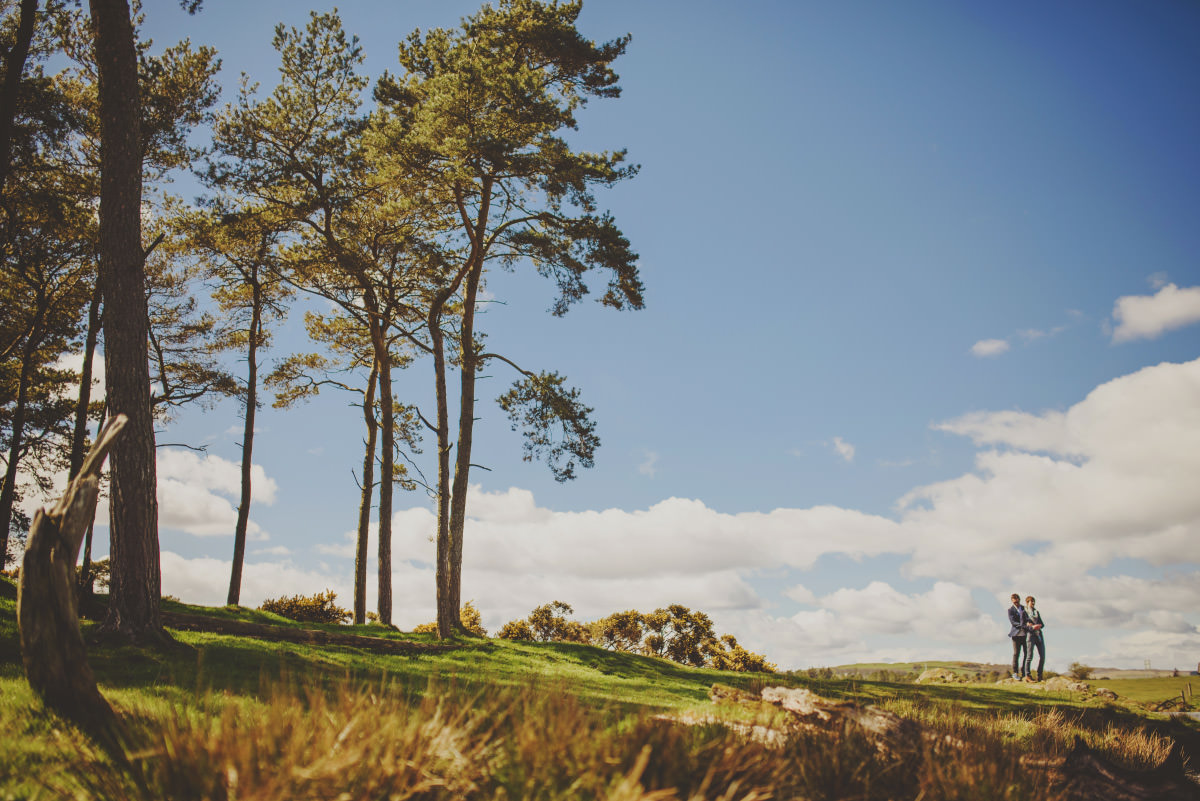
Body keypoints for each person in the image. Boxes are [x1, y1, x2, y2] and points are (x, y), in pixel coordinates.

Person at [1022, 595, 1045, 682]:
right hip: (1030, 635)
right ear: (1027, 603)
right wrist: (1031, 627)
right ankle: (1027, 675)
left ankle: (1040, 675)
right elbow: (1022, 625)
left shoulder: (1037, 612)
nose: (1033, 603)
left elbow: (1042, 624)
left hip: (1039, 635)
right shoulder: (1024, 612)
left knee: (1042, 656)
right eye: (1032, 602)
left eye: (1034, 602)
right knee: (1029, 656)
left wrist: (1039, 626)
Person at [1007, 593, 1028, 680]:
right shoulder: (1010, 610)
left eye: (1017, 601)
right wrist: (1022, 625)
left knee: (1026, 654)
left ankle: (1024, 672)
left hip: (1025, 634)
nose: (1016, 603)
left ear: (1019, 600)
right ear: (1012, 601)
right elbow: (1013, 622)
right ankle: (1015, 672)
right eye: (1014, 602)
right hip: (1016, 635)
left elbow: (1028, 618)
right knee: (1016, 654)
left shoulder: (1024, 608)